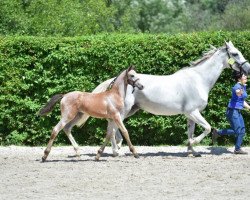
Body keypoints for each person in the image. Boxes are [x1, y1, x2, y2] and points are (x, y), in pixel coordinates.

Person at [212, 70, 250, 154]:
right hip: (232, 111)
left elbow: (242, 101)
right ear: (239, 78)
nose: (246, 77)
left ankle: (237, 149)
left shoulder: (243, 86)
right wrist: (239, 92)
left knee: (242, 130)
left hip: (237, 111)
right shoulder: (237, 87)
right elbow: (237, 93)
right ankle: (218, 132)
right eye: (244, 76)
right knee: (237, 131)